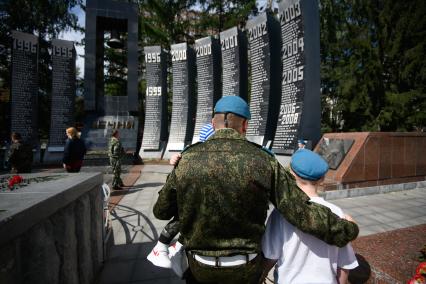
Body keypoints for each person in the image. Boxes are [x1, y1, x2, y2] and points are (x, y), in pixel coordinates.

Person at [153, 96, 359, 284]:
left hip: (200, 267)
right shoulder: (264, 160)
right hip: (245, 267)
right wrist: (346, 229)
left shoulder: (187, 159)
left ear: (213, 123)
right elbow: (300, 211)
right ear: (244, 125)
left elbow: (161, 211)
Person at [261, 149, 359, 284]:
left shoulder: (280, 214)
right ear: (322, 179)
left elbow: (270, 256)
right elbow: (344, 265)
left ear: (291, 173)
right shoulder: (337, 213)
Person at [148, 122, 216, 269]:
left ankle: (177, 247)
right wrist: (175, 160)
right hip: (188, 199)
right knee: (184, 215)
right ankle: (160, 247)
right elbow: (179, 159)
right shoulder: (193, 154)